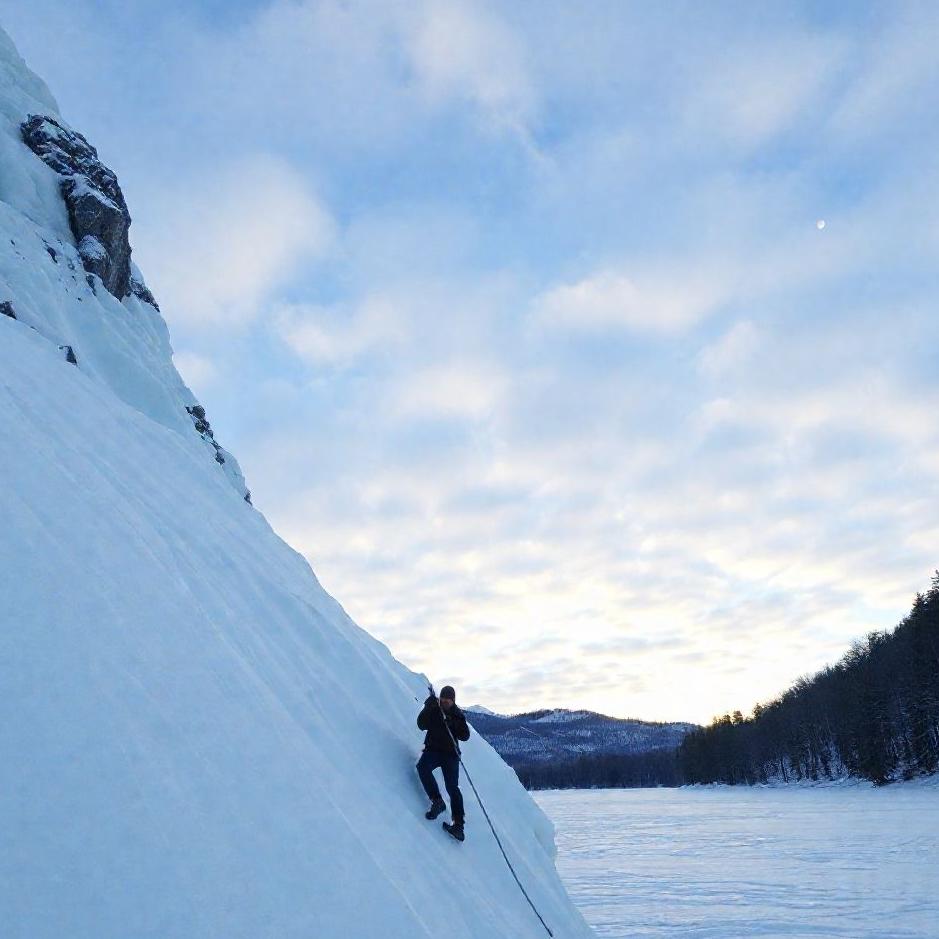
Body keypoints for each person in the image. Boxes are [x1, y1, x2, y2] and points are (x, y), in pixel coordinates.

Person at [416, 685, 470, 841]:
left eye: (448, 700)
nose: (445, 702)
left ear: (453, 701)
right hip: (432, 750)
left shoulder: (457, 714)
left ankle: (458, 825)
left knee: (452, 787)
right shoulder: (434, 709)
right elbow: (421, 725)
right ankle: (437, 801)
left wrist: (453, 723)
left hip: (450, 754)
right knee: (422, 767)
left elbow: (465, 735)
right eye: (443, 699)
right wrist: (428, 706)